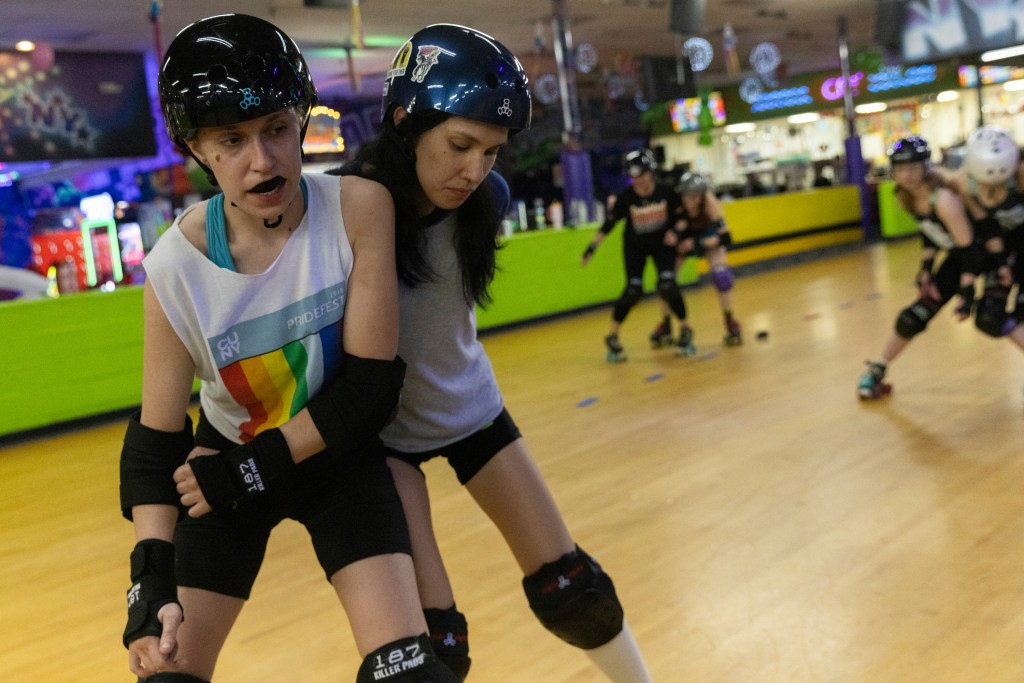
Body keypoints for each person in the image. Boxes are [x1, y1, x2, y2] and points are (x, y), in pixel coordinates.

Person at [120, 14, 455, 683]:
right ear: (197, 149)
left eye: (276, 128)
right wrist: (149, 577)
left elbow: (368, 388)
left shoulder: (359, 207)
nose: (263, 159)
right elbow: (156, 445)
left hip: (335, 460)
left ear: (301, 121)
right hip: (226, 475)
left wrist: (250, 466)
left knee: (413, 674)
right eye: (232, 140)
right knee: (164, 671)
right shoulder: (174, 268)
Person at [857, 136, 981, 399]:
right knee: (914, 315)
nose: (908, 175)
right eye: (901, 169)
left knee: (996, 315)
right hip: (960, 256)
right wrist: (926, 269)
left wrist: (967, 289)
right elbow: (931, 233)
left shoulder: (944, 199)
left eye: (913, 168)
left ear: (926, 166)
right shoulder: (907, 197)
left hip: (988, 253)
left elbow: (970, 249)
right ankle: (879, 367)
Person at [581, 147, 696, 361]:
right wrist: (592, 248)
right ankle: (613, 336)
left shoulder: (666, 192)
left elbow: (682, 217)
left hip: (662, 245)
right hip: (635, 247)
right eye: (633, 177)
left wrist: (677, 232)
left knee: (667, 285)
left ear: (650, 173)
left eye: (641, 175)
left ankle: (685, 329)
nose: (638, 181)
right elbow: (609, 224)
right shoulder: (626, 198)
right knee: (633, 290)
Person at [649, 171, 742, 347]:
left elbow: (726, 238)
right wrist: (676, 238)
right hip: (685, 241)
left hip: (707, 240)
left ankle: (730, 321)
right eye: (687, 197)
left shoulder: (710, 204)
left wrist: (698, 243)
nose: (690, 202)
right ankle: (666, 323)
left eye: (694, 198)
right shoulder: (677, 205)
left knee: (722, 277)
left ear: (701, 196)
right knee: (665, 281)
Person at [954, 126, 1024, 352]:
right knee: (989, 317)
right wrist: (1000, 263)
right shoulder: (965, 184)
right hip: (1003, 250)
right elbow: (987, 227)